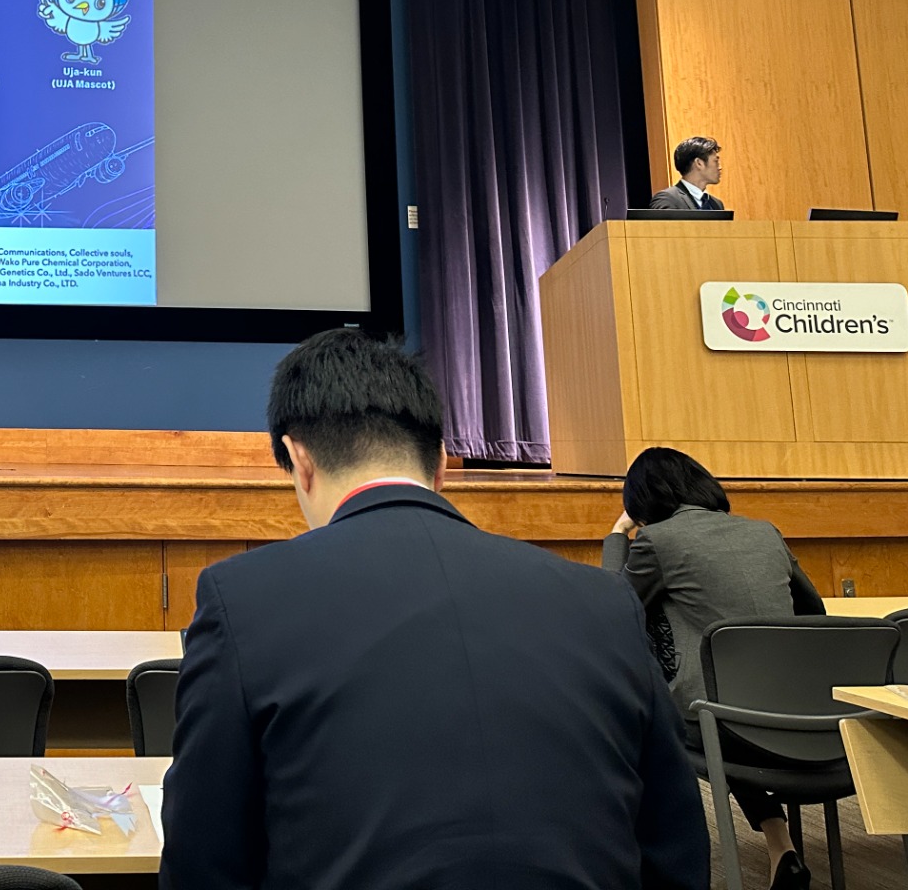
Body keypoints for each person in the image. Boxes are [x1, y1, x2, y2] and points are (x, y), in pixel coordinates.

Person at [161, 330, 707, 890]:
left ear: (299, 460)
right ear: (442, 463)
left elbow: (203, 857)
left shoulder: (242, 599)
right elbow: (675, 844)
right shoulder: (604, 602)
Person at [605, 448, 825, 890]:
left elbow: (611, 608)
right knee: (721, 708)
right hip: (800, 720)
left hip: (720, 722)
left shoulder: (657, 541)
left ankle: (651, 866)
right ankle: (781, 847)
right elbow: (814, 611)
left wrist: (617, 533)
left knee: (655, 718)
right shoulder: (765, 532)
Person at [650, 136, 726, 211]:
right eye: (716, 161)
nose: (720, 167)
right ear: (699, 163)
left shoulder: (716, 205)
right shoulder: (667, 199)